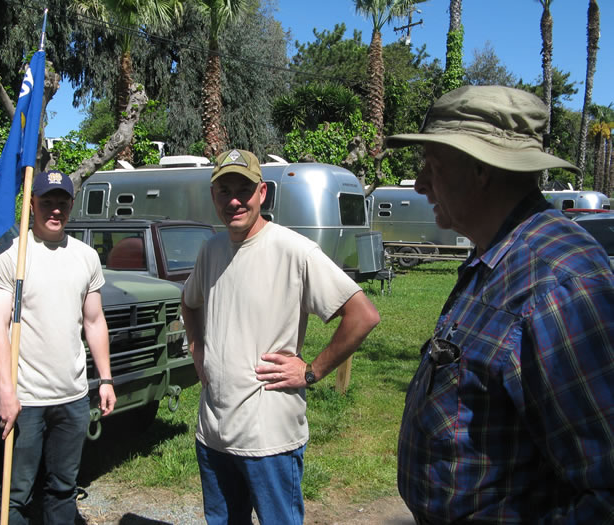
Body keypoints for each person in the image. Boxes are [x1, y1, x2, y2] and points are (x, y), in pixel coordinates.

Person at [386, 86, 614, 523]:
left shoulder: (558, 283)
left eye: (433, 164)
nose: (419, 183)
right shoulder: (496, 256)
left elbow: (605, 492)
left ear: (480, 169)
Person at [181, 149, 380, 524]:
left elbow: (363, 315)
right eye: (224, 191)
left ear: (262, 193)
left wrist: (312, 371)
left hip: (268, 440)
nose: (234, 201)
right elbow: (189, 303)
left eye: (244, 190)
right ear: (213, 197)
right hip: (213, 435)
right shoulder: (212, 250)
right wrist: (198, 350)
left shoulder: (294, 250)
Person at [0, 170, 116, 524]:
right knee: (16, 494)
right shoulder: (10, 256)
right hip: (25, 400)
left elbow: (94, 321)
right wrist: (6, 393)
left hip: (72, 398)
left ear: (71, 205)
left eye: (62, 202)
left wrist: (105, 379)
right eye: (47, 202)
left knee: (63, 489)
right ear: (31, 204)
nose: (55, 210)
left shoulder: (86, 256)